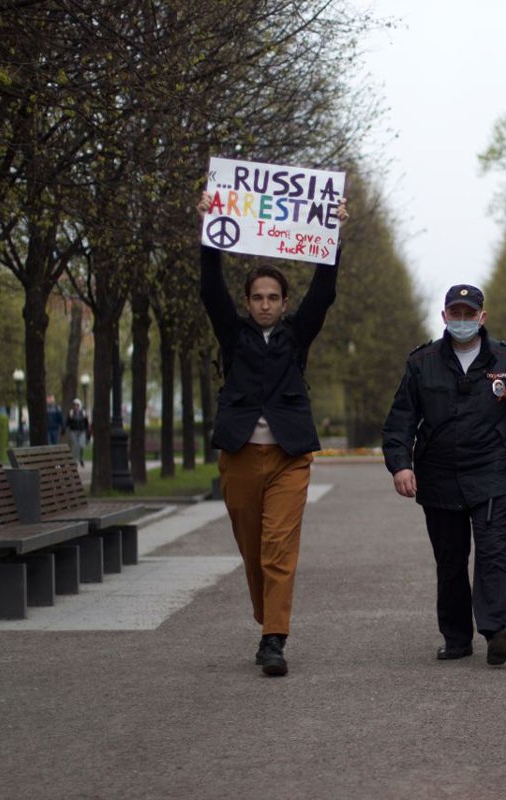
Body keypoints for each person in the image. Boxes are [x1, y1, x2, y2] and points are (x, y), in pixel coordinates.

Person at [382, 285, 506, 667]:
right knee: (450, 561)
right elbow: (401, 418)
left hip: (491, 475)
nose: (463, 320)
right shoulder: (422, 363)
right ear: (444, 316)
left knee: (493, 553)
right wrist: (400, 463)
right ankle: (456, 638)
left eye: (470, 314)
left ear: (482, 318)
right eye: (456, 313)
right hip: (439, 478)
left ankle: (499, 630)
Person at [198, 192, 347, 677]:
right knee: (252, 549)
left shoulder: (295, 336)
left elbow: (323, 293)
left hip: (288, 456)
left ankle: (273, 639)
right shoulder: (233, 334)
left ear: (284, 304)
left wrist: (333, 235)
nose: (265, 304)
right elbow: (209, 289)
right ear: (248, 302)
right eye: (257, 297)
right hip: (240, 454)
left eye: (273, 297)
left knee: (278, 546)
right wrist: (209, 229)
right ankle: (269, 618)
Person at [66, 399, 89, 466]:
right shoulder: (71, 413)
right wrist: (65, 428)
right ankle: (74, 460)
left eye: (77, 405)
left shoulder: (83, 413)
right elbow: (68, 422)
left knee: (81, 445)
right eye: (74, 405)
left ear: (79, 406)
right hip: (73, 431)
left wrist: (87, 431)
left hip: (81, 431)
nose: (75, 407)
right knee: (75, 446)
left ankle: (81, 458)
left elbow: (86, 423)